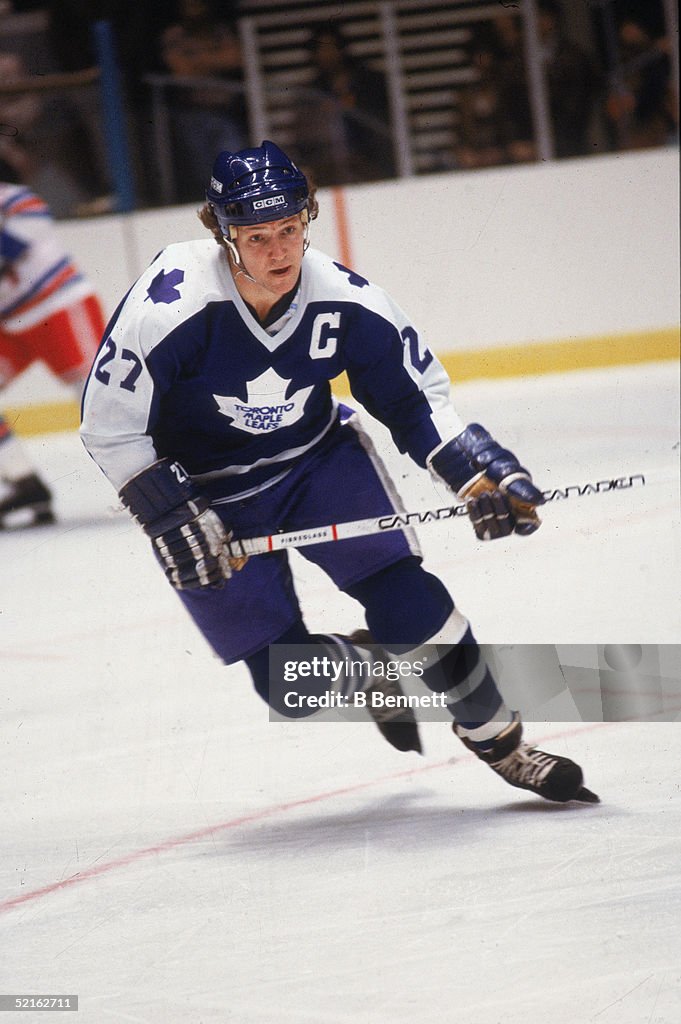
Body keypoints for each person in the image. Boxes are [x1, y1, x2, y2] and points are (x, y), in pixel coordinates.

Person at [80, 140, 598, 805]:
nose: (279, 250)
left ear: (308, 219)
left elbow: (412, 399)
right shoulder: (168, 307)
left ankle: (500, 741)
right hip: (207, 495)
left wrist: (477, 474)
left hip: (316, 463)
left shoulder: (345, 299)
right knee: (288, 686)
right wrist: (169, 514)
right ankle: (378, 675)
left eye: (290, 229)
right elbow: (110, 425)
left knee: (408, 599)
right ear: (222, 232)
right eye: (257, 235)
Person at [0, 164, 106, 527]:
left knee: (100, 394)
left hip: (58, 307)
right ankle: (23, 480)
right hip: (11, 324)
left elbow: (6, 250)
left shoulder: (17, 200)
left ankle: (178, 467)